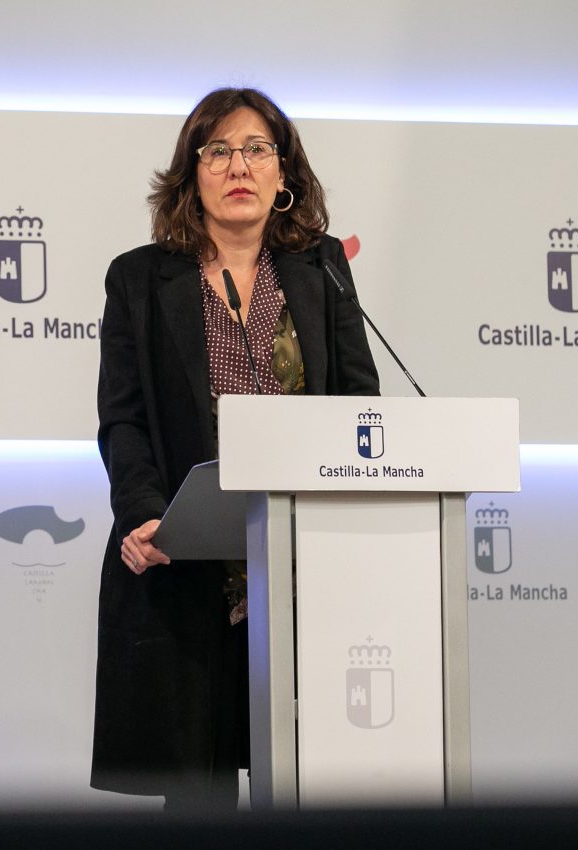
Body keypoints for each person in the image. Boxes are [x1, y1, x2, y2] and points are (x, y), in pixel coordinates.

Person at [91, 87, 379, 810]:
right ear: (190, 174)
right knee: (199, 798)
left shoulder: (321, 272)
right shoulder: (139, 278)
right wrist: (144, 515)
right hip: (184, 562)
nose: (237, 165)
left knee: (308, 784)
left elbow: (357, 410)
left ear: (284, 173)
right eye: (216, 150)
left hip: (296, 570)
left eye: (256, 148)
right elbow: (122, 420)